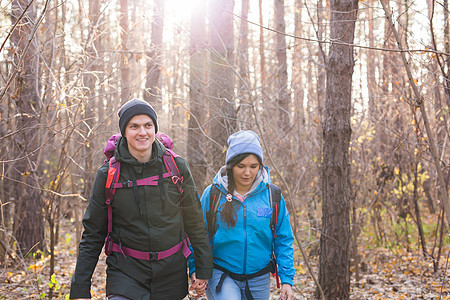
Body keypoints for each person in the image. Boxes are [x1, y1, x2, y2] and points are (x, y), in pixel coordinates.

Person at [70, 98, 212, 300]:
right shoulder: (109, 174)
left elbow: (195, 221)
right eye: (134, 126)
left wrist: (202, 269)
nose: (142, 132)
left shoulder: (177, 167)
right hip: (126, 272)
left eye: (148, 125)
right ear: (124, 131)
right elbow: (93, 233)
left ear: (155, 128)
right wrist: (80, 288)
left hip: (171, 273)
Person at [189, 130, 295, 300]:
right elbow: (196, 235)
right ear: (231, 165)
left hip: (259, 278)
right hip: (221, 273)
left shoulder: (272, 196)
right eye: (241, 166)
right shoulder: (213, 194)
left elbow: (283, 239)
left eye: (253, 166)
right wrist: (195, 269)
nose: (247, 173)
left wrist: (286, 280)